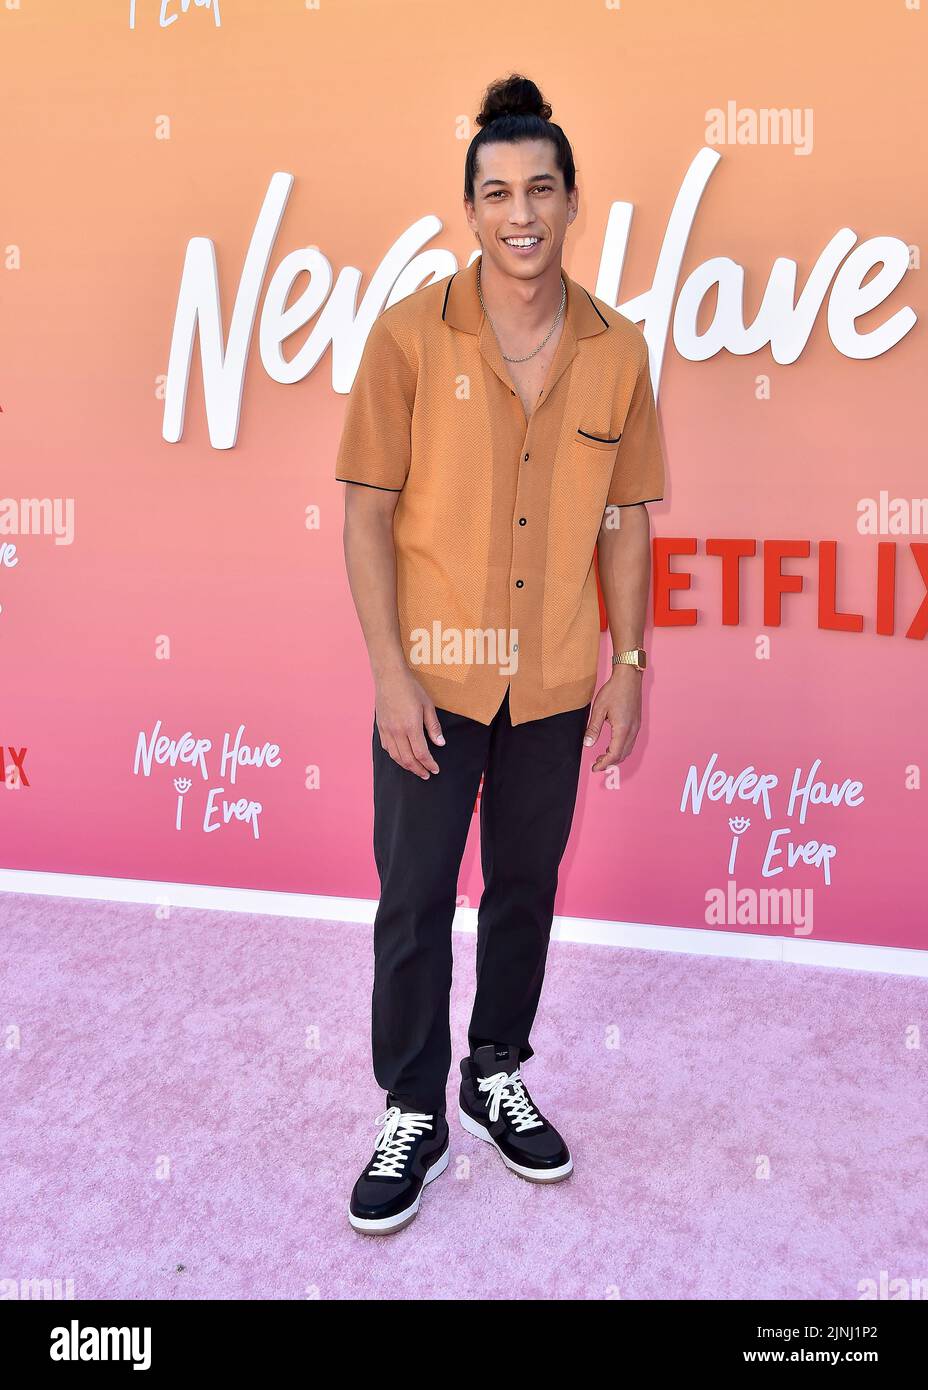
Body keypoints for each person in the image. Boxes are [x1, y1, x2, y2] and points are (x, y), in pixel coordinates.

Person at [335, 73, 665, 1235]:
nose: (518, 211)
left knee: (524, 888)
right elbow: (365, 512)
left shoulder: (618, 350)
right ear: (467, 209)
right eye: (494, 192)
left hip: (557, 684)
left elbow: (624, 520)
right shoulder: (407, 338)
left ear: (572, 201)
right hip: (429, 678)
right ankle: (412, 1102)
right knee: (417, 898)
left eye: (539, 189)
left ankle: (494, 1069)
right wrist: (388, 671)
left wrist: (629, 667)